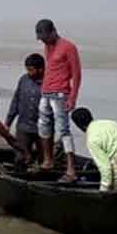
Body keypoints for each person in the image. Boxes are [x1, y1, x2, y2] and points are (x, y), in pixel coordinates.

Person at [35, 19, 82, 181]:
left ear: (53, 31)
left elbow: (77, 74)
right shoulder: (47, 46)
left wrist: (73, 97)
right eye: (41, 39)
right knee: (43, 127)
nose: (44, 41)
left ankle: (71, 169)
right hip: (46, 92)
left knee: (63, 130)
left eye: (45, 37)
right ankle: (48, 160)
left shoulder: (68, 47)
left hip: (60, 94)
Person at [70, 107, 117, 191]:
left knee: (116, 200)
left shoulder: (92, 139)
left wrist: (103, 190)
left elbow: (105, 168)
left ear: (79, 126)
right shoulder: (111, 123)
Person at [5, 54, 45, 168]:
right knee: (20, 157)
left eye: (31, 70)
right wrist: (8, 122)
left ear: (41, 69)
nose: (28, 72)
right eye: (27, 69)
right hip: (23, 127)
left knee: (43, 159)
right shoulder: (23, 79)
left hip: (42, 128)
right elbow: (15, 101)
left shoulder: (49, 82)